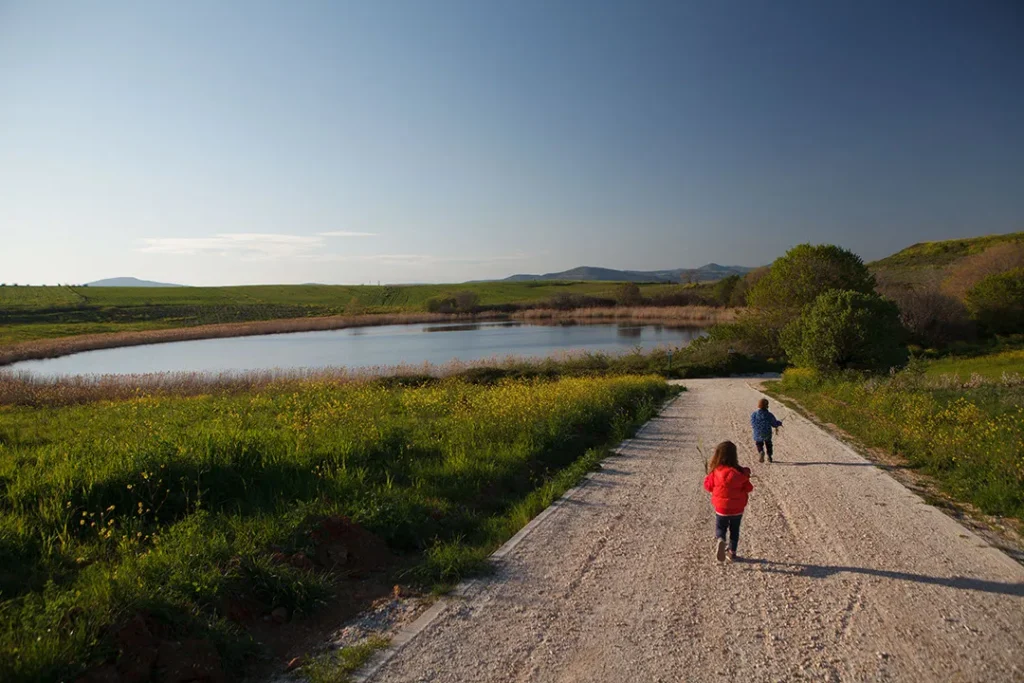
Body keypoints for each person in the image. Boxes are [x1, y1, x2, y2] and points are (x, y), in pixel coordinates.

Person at [703, 440, 753, 562]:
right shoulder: (740, 473)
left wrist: (707, 477)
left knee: (721, 527)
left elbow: (708, 486)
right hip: (737, 508)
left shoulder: (715, 472)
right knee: (735, 530)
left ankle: (721, 539)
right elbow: (749, 488)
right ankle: (732, 553)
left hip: (721, 508)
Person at [751, 398, 783, 463]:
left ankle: (761, 451)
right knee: (768, 444)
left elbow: (752, 423)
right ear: (767, 406)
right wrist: (779, 423)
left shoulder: (754, 414)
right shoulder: (769, 415)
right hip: (767, 432)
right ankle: (769, 456)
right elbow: (774, 424)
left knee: (759, 443)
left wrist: (756, 428)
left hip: (758, 432)